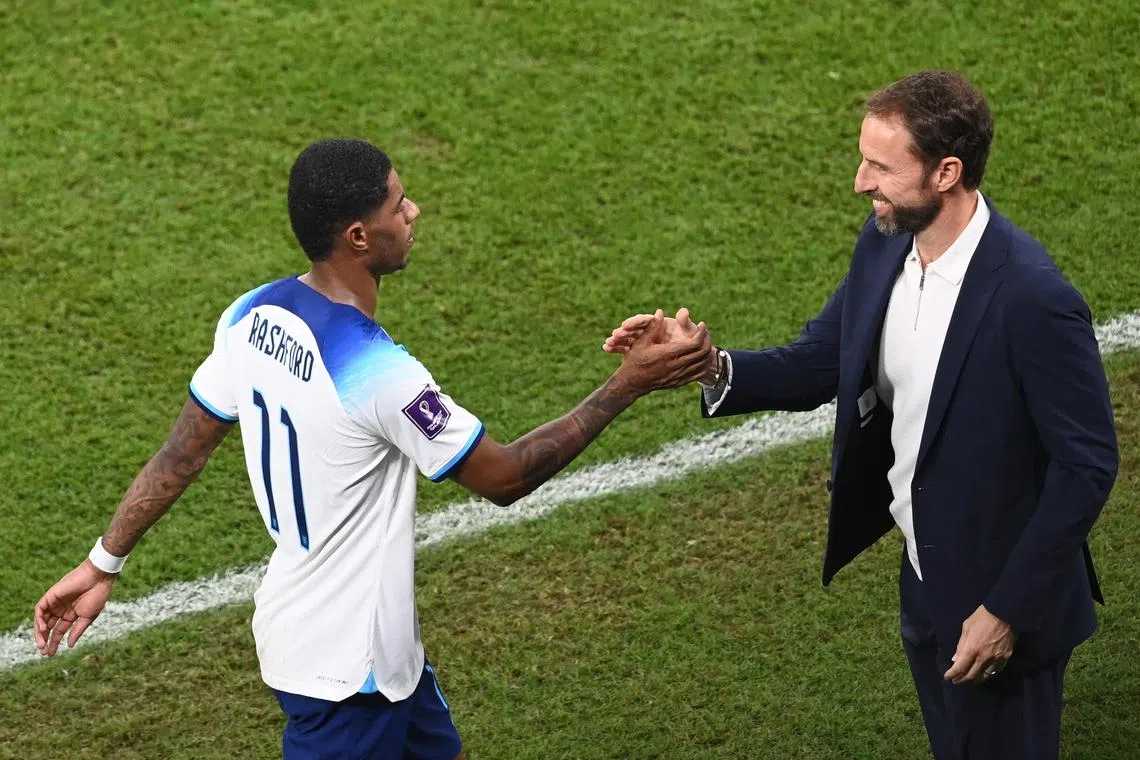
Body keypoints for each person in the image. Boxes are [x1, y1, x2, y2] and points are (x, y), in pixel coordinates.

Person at [33, 138, 711, 760]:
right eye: (398, 204)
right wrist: (628, 385)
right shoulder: (380, 373)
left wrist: (103, 562)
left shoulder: (250, 315)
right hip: (343, 676)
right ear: (359, 236)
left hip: (373, 657)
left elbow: (181, 453)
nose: (413, 211)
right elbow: (504, 477)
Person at [604, 70, 1118, 759]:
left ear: (947, 172)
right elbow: (822, 359)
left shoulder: (1032, 299)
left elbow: (1085, 466)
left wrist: (1004, 612)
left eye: (880, 165)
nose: (859, 181)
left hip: (1003, 611)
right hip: (926, 581)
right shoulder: (886, 243)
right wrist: (708, 363)